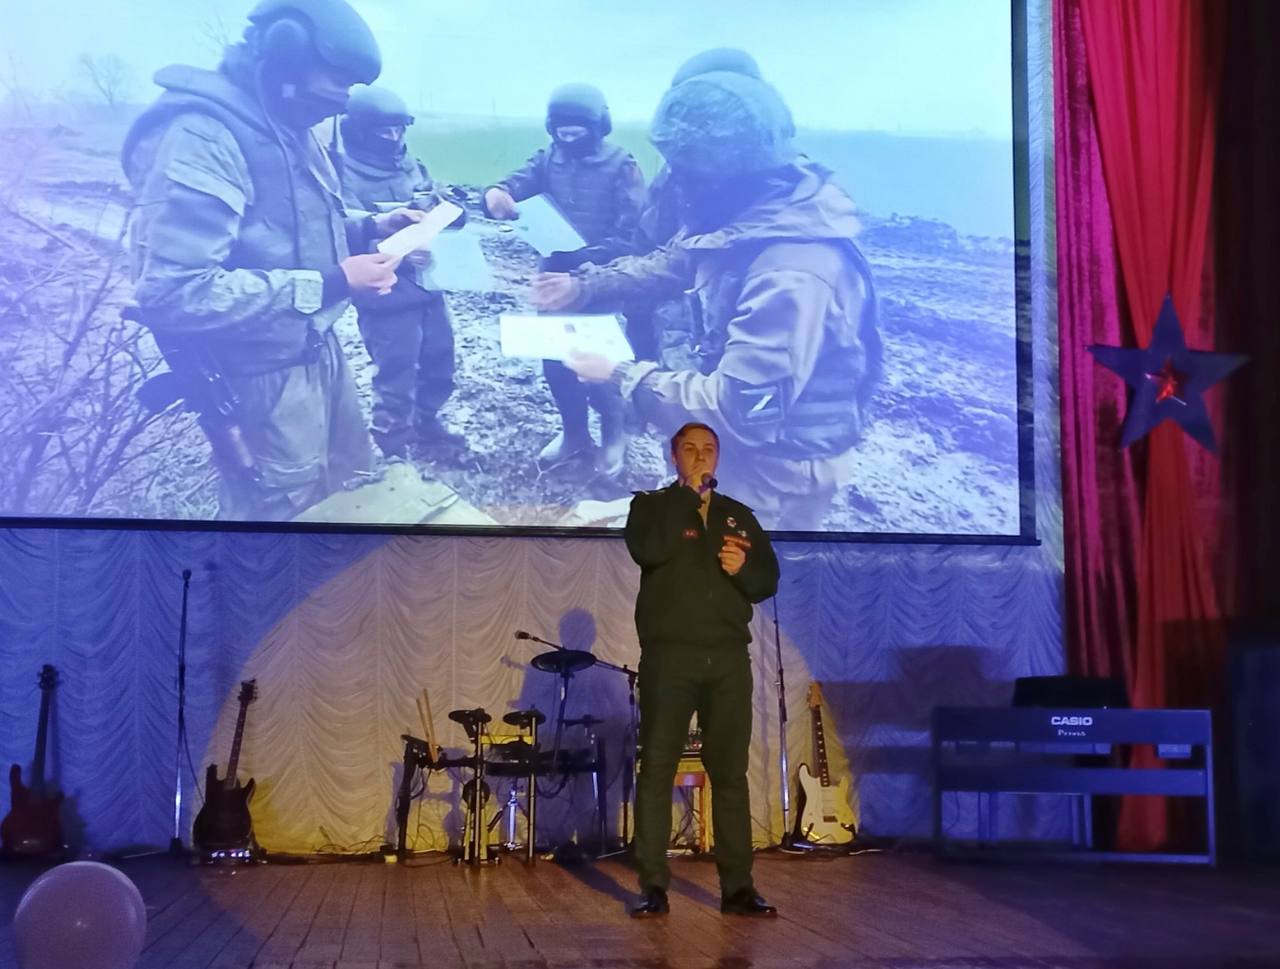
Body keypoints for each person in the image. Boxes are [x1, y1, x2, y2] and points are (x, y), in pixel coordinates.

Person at [532, 71, 882, 531]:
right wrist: (583, 286)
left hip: (775, 470)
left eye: (685, 170)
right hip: (736, 449)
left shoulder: (789, 273)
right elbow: (669, 263)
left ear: (723, 173)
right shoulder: (754, 216)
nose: (674, 182)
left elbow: (742, 408)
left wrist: (620, 374)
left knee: (725, 572)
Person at [121, 0, 427, 520]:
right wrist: (333, 283)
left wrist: (369, 227)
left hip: (317, 352)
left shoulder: (285, 121)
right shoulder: (202, 135)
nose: (342, 102)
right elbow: (174, 292)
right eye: (337, 84)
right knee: (282, 521)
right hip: (260, 375)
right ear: (287, 54)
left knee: (350, 495)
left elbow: (284, 225)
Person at [624, 422, 779, 918]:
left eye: (708, 449)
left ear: (719, 457)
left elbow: (766, 581)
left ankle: (738, 888)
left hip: (728, 659)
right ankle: (653, 886)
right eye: (690, 449)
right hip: (670, 658)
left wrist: (743, 569)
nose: (700, 456)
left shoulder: (738, 515)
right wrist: (685, 499)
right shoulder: (651, 507)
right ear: (674, 456)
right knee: (658, 769)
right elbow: (648, 550)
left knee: (729, 773)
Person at [483, 83, 645, 478]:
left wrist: (588, 258)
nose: (568, 137)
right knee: (555, 361)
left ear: (599, 126)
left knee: (600, 366)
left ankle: (613, 434)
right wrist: (497, 194)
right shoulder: (547, 158)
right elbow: (515, 183)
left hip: (603, 280)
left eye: (577, 130)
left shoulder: (622, 165)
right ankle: (574, 432)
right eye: (561, 130)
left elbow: (633, 234)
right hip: (552, 278)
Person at [338, 83, 465, 458]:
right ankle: (394, 445)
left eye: (399, 129)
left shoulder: (412, 164)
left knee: (440, 361)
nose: (394, 138)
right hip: (385, 293)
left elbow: (430, 203)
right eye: (384, 132)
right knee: (396, 372)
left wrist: (446, 216)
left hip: (428, 284)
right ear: (359, 130)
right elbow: (338, 232)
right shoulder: (340, 173)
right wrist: (398, 250)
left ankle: (427, 423)